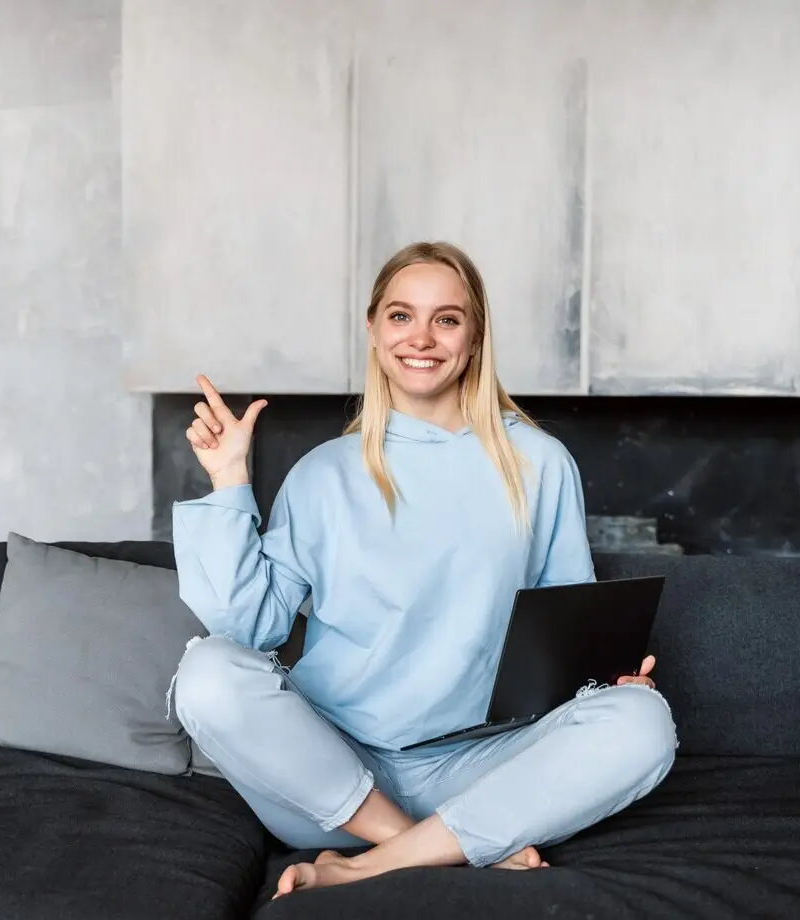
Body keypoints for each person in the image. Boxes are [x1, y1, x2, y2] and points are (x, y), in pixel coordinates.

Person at [168, 241, 676, 898]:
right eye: (402, 316)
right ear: (375, 332)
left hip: (483, 766)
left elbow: (564, 630)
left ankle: (375, 863)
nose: (423, 338)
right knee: (207, 671)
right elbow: (248, 629)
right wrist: (229, 480)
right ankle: (434, 844)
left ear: (474, 336)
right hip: (330, 779)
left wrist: (605, 678)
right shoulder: (323, 473)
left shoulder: (539, 464)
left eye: (447, 318)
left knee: (643, 720)